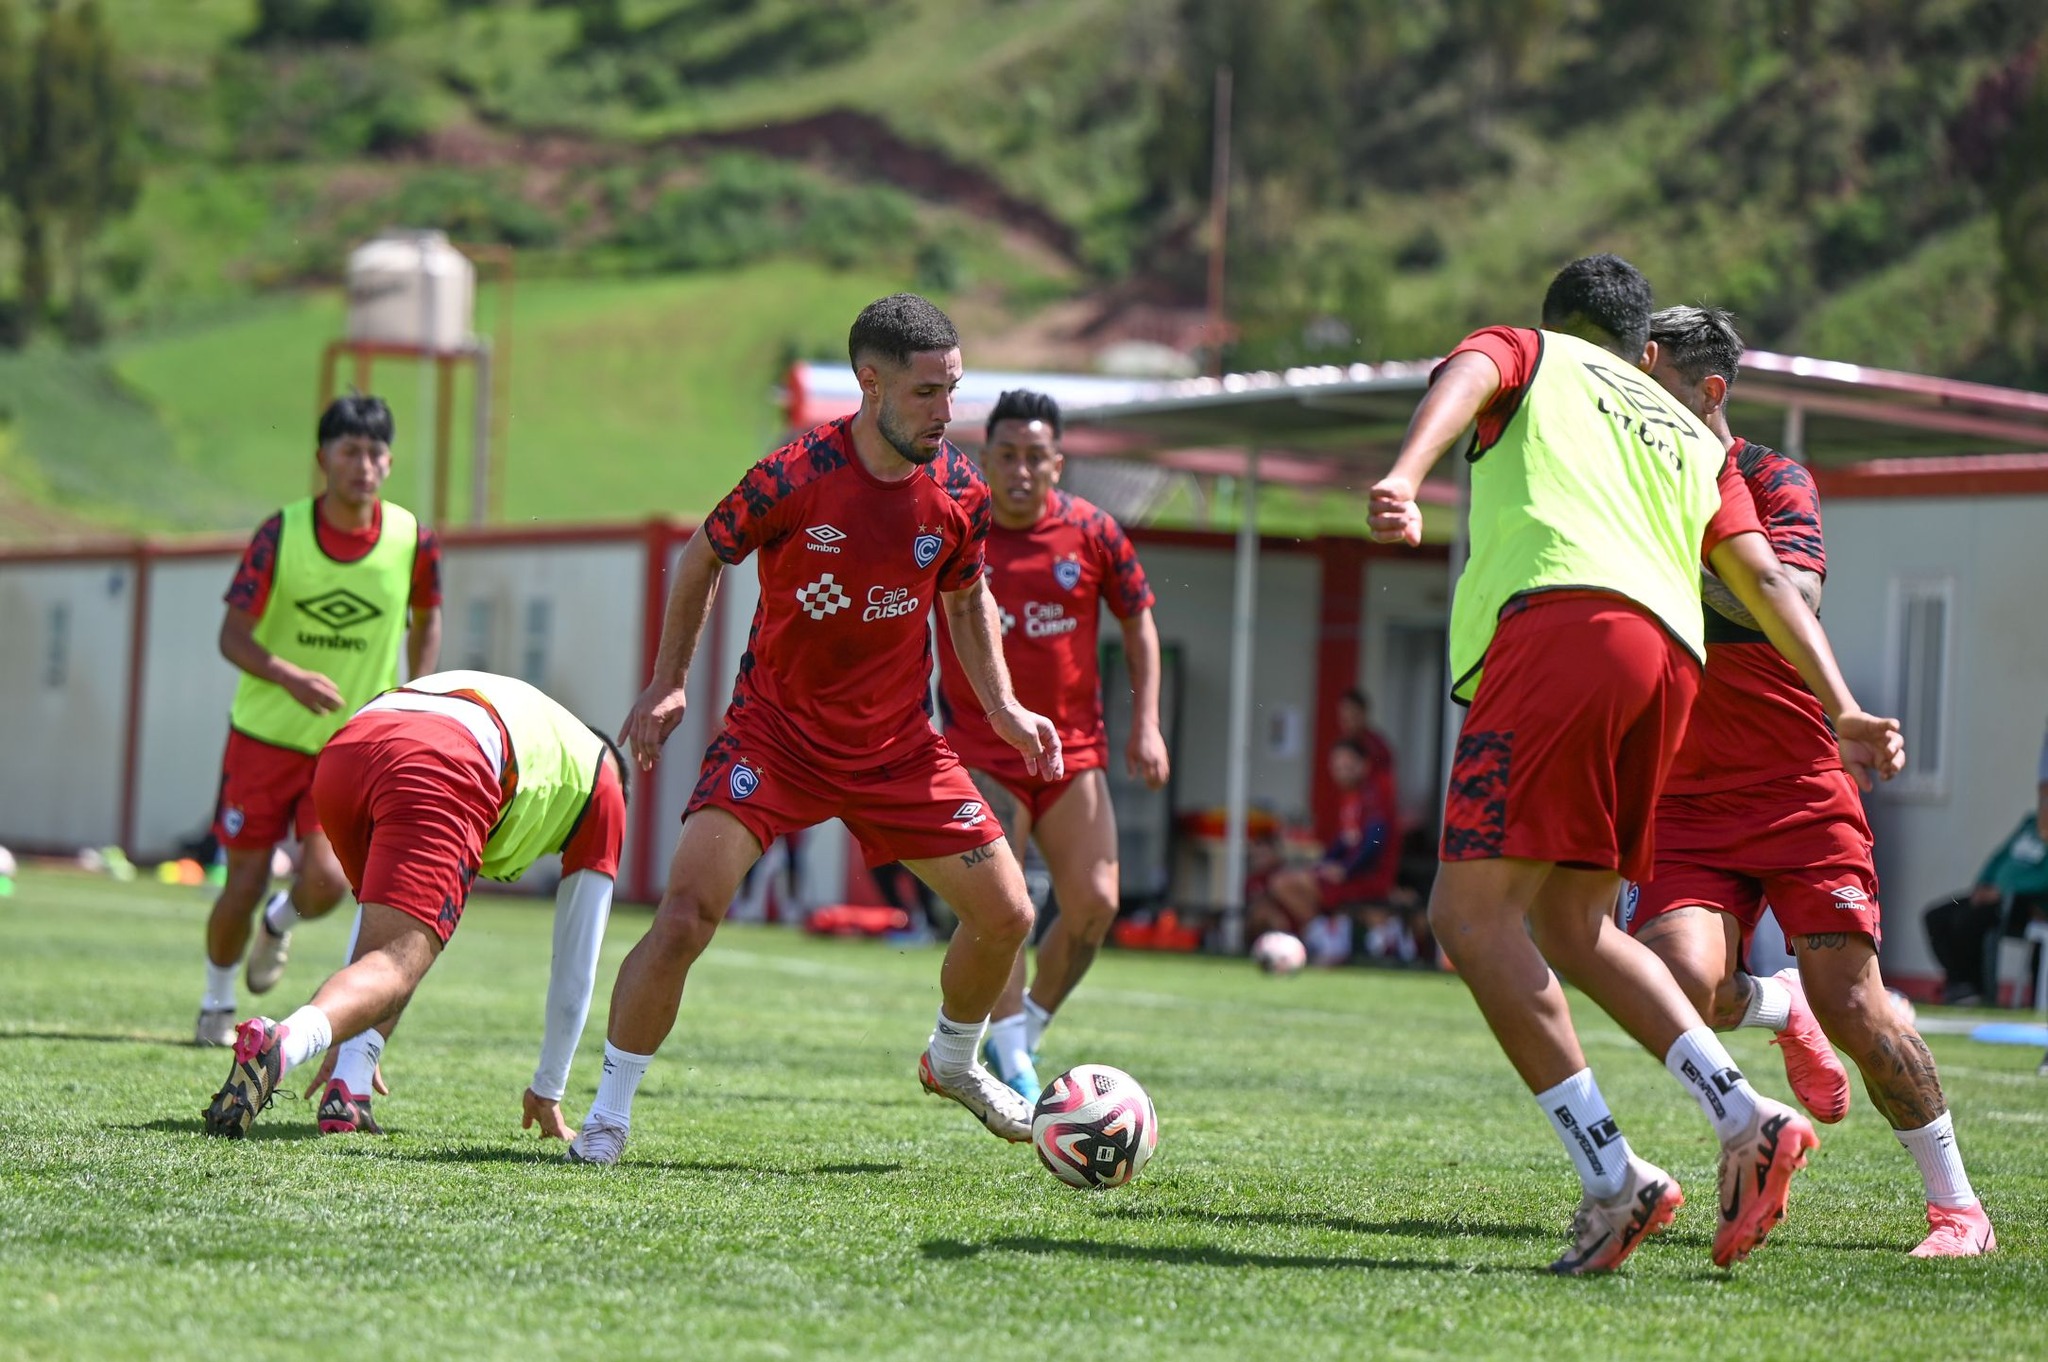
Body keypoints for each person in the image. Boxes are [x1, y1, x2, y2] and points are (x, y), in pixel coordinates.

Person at [1367, 254, 1905, 1274]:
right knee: (1571, 923)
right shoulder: (1686, 432)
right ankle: (1743, 1114)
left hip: (1556, 632)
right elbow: (1761, 579)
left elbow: (1466, 375)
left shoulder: (1533, 354)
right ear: (1637, 346)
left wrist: (1403, 474)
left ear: (1561, 323)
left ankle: (1612, 1180)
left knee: (1465, 918)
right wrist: (1841, 704)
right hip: (1665, 671)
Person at [573, 294, 1064, 1165]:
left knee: (1008, 914)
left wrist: (1003, 707)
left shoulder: (959, 492)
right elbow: (704, 555)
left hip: (901, 749)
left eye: (953, 390)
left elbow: (964, 596)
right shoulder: (792, 476)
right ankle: (609, 1113)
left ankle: (952, 1061)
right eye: (926, 393)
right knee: (687, 914)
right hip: (776, 737)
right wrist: (666, 682)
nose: (946, 413)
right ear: (869, 384)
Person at [1626, 304, 1994, 1258]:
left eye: (1647, 380)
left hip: (1795, 789)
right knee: (1676, 985)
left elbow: (1792, 593)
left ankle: (1959, 1211)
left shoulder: (1770, 476)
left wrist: (1669, 559)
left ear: (1706, 392)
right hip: (1683, 798)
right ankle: (1776, 1005)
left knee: (1858, 1009)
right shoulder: (1624, 477)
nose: (1628, 399)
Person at [201, 670, 627, 1139]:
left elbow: (377, 925)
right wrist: (549, 1088)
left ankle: (349, 1087)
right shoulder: (605, 785)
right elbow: (576, 965)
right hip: (444, 756)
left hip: (353, 743)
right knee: (396, 964)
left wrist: (350, 1034)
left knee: (387, 947)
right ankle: (283, 1045)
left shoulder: (552, 734)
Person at [933, 388, 1169, 1102]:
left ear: (1058, 464)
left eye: (1036, 457)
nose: (1021, 470)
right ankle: (1009, 1055)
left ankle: (1023, 1030)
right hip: (983, 747)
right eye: (1007, 455)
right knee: (1002, 908)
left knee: (1096, 902)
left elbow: (1139, 623)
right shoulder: (958, 527)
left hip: (1073, 752)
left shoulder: (1094, 533)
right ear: (987, 459)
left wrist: (1147, 723)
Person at [196, 394, 441, 1047]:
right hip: (264, 738)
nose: (364, 465)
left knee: (329, 881)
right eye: (350, 451)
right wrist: (286, 675)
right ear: (322, 459)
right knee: (241, 879)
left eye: (375, 453)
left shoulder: (412, 539)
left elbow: (428, 615)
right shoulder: (282, 534)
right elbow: (231, 635)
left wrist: (417, 694)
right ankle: (216, 1002)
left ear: (389, 463)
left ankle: (281, 922)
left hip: (348, 744)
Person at [1247, 739, 1400, 964]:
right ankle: (1325, 938)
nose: (1342, 772)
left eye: (1348, 766)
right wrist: (1323, 865)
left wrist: (1345, 870)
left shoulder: (1374, 798)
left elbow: (1374, 844)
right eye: (1338, 767)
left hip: (1368, 878)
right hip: (1352, 874)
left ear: (1364, 765)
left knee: (1283, 884)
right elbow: (1342, 844)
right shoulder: (1352, 799)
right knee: (1284, 883)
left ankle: (1327, 943)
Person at [1923, 812, 2048, 1006]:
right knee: (1936, 917)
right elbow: (2000, 856)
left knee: (1967, 920)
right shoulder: (2031, 823)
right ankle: (1961, 983)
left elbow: (2043, 878)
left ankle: (1976, 990)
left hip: (2025, 903)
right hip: (1992, 895)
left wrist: (2003, 891)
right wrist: (1982, 883)